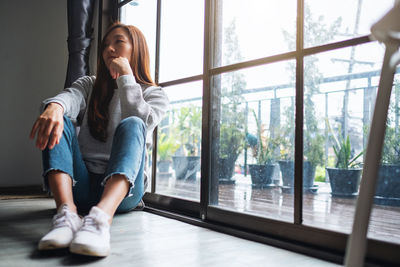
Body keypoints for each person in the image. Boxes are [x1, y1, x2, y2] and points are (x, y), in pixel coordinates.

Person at [29, 22, 169, 257]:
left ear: (138, 49)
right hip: (80, 187)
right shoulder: (90, 84)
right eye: (105, 45)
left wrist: (126, 77)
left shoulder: (154, 94)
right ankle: (67, 215)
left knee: (133, 123)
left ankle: (100, 220)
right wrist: (55, 106)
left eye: (118, 42)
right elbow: (69, 97)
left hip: (124, 193)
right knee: (60, 118)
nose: (109, 49)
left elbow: (141, 123)